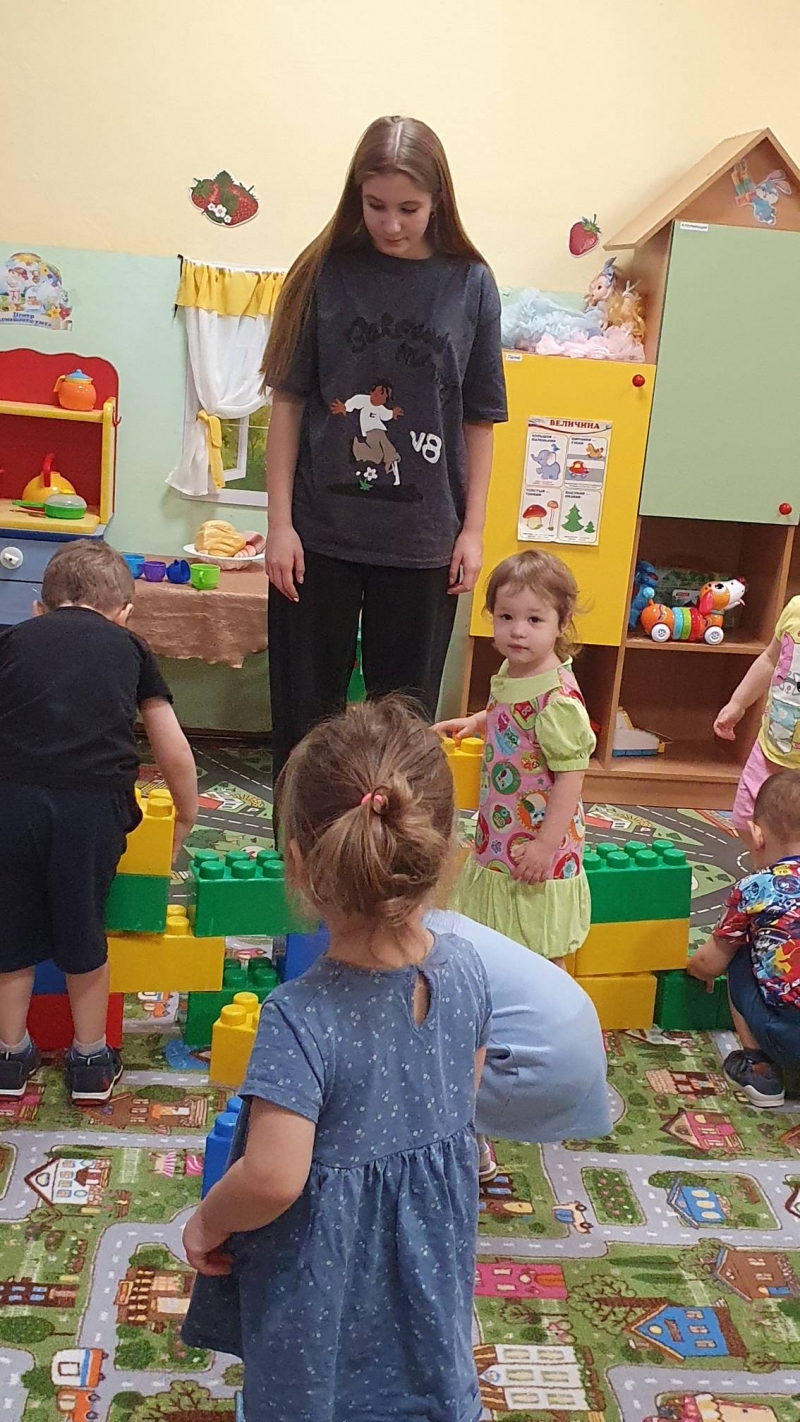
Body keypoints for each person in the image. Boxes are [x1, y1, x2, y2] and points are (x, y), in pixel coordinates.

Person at [181, 699, 491, 1422]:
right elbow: (462, 1098)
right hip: (429, 1266)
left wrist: (206, 1222)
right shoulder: (469, 968)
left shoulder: (299, 1015)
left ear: (298, 864)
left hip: (323, 1284)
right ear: (442, 852)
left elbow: (272, 1178)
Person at [262, 114, 507, 782]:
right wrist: (279, 525)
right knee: (305, 724)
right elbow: (288, 402)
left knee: (403, 736)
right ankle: (301, 841)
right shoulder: (322, 272)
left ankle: (392, 846)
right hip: (318, 537)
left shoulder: (471, 283)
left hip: (424, 542)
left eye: (409, 209)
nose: (391, 224)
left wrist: (473, 529)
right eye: (375, 206)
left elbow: (480, 418)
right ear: (355, 195)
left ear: (438, 201)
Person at [0, 541, 197, 1105]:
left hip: (11, 801)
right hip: (91, 809)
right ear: (124, 614)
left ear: (39, 608)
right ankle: (90, 1060)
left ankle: (9, 1055)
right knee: (84, 930)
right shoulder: (130, 647)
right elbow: (172, 749)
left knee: (10, 933)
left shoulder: (12, 639)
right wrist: (185, 815)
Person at [435, 550, 595, 968]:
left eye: (535, 619)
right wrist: (478, 721)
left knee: (541, 940)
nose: (518, 630)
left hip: (540, 837)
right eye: (506, 617)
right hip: (503, 825)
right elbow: (508, 712)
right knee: (497, 932)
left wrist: (545, 846)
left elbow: (571, 778)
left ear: (562, 623)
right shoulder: (513, 670)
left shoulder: (558, 701)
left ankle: (552, 1004)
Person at [689, 770, 800, 1107]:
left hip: (789, 1039)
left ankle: (761, 1070)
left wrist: (694, 968)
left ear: (757, 835)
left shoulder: (757, 887)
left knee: (739, 948)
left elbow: (709, 964)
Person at [714, 594, 800, 849]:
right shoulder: (795, 608)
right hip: (770, 750)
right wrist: (738, 703)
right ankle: (769, 868)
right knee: (746, 819)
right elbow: (770, 659)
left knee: (792, 836)